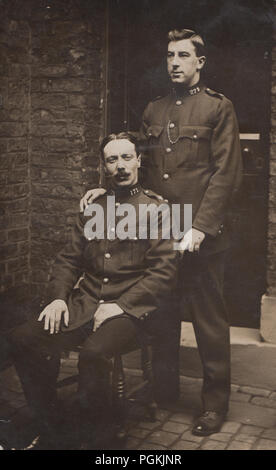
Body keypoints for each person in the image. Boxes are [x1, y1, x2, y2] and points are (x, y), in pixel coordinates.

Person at [79, 29, 243, 436]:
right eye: (170, 55)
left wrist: (201, 227)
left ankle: (214, 405)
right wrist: (107, 186)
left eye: (183, 55)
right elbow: (142, 168)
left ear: (199, 62)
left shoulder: (217, 108)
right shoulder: (154, 111)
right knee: (163, 315)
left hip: (202, 235)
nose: (174, 62)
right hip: (162, 232)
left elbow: (226, 174)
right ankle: (165, 393)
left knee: (208, 322)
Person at [8, 132, 178, 449]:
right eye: (112, 160)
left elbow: (164, 273)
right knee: (24, 338)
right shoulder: (92, 207)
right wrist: (59, 298)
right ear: (104, 166)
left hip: (134, 310)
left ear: (139, 160)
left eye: (127, 157)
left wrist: (122, 306)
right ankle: (53, 423)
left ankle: (104, 437)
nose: (121, 166)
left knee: (95, 353)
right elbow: (67, 259)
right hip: (85, 302)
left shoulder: (158, 210)